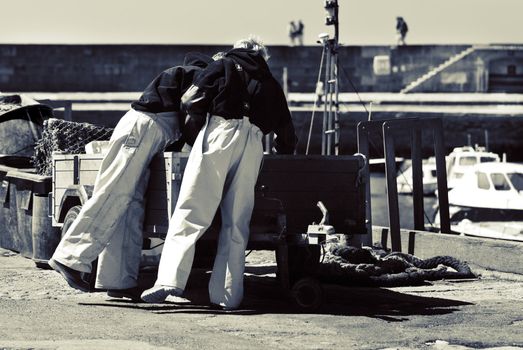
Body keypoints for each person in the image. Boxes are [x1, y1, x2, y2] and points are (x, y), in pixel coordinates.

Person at [141, 36, 297, 310]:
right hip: (253, 144)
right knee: (237, 222)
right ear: (262, 56)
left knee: (192, 209)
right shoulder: (272, 83)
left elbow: (191, 99)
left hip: (220, 131)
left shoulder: (224, 64)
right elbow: (287, 135)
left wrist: (193, 134)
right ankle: (228, 296)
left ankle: (170, 281)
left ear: (239, 48)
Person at [48, 52, 214, 301]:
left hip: (144, 129)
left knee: (130, 206)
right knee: (115, 193)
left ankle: (118, 281)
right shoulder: (198, 76)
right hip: (145, 128)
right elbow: (191, 112)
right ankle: (71, 257)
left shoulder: (179, 74)